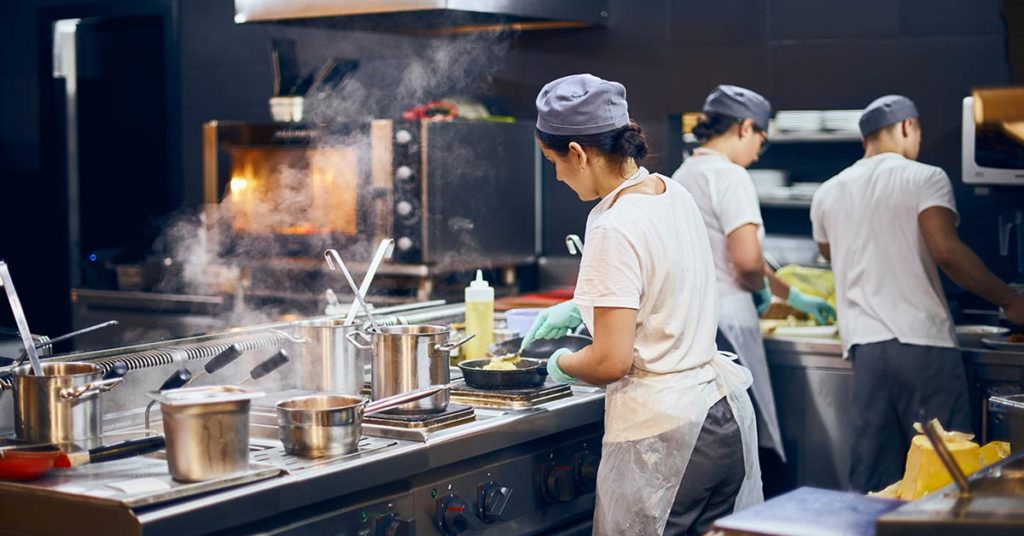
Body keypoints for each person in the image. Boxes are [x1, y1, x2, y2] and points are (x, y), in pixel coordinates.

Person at [521, 73, 762, 535]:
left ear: (578, 153)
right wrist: (583, 306)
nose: (557, 175)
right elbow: (661, 288)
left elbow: (610, 361)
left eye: (553, 161)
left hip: (667, 438)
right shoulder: (672, 192)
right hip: (720, 415)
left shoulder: (613, 224)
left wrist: (558, 364)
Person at [811, 94, 1024, 493]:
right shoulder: (924, 177)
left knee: (875, 480)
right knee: (945, 471)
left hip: (866, 348)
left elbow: (828, 252)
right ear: (908, 127)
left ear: (865, 139)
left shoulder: (828, 191)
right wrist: (1010, 301)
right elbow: (946, 252)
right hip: (923, 345)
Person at [671, 85, 835, 464]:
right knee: (743, 436)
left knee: (711, 436)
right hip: (729, 322)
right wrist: (758, 289)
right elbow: (746, 262)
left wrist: (789, 294)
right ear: (745, 127)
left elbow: (732, 254)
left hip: (693, 321)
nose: (760, 151)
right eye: (761, 138)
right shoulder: (730, 176)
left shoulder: (683, 174)